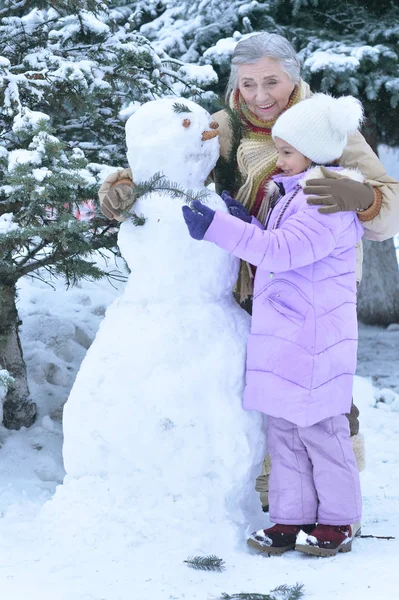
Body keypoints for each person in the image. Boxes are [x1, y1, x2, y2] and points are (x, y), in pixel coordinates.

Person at [97, 32, 399, 510]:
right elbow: (171, 162)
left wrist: (364, 198)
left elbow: (389, 203)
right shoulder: (225, 126)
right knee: (259, 383)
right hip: (243, 274)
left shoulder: (327, 126)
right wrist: (125, 185)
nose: (260, 96)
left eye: (272, 82)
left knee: (322, 391)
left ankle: (337, 504)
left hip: (315, 283)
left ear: (294, 78)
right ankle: (274, 490)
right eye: (248, 83)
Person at [181, 92, 365, 557]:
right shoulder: (298, 190)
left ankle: (339, 521)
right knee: (283, 432)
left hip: (315, 338)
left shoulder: (326, 196)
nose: (277, 161)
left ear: (316, 152)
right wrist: (247, 222)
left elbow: (285, 252)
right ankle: (291, 517)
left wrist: (222, 230)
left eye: (285, 152)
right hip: (287, 334)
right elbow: (281, 244)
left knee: (322, 432)